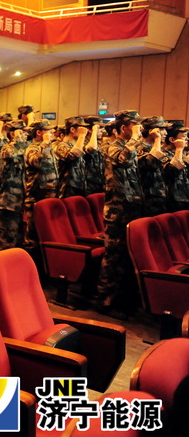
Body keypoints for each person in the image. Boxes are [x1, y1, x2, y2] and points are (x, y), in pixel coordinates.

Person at [96, 110, 144, 320]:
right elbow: (123, 159)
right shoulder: (112, 146)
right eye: (134, 125)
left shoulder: (131, 147)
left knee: (125, 257)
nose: (138, 129)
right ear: (123, 128)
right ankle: (105, 301)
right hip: (117, 210)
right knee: (113, 256)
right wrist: (134, 140)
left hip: (131, 208)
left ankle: (122, 300)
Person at [0, 121, 28, 251]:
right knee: (4, 243)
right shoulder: (7, 148)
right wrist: (17, 139)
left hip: (17, 203)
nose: (25, 135)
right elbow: (9, 154)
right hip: (6, 203)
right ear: (12, 133)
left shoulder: (24, 149)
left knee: (16, 241)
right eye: (22, 132)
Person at [23, 120, 57, 249]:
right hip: (37, 194)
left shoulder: (50, 147)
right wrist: (44, 144)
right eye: (49, 130)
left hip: (50, 192)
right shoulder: (33, 148)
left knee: (45, 229)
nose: (52, 132)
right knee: (34, 230)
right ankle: (31, 255)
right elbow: (35, 161)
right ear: (39, 132)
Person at [54, 116, 96, 198]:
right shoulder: (61, 145)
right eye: (82, 128)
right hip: (67, 190)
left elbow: (92, 150)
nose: (85, 131)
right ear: (72, 129)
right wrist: (82, 135)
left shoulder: (78, 144)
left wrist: (94, 132)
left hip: (80, 187)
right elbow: (72, 156)